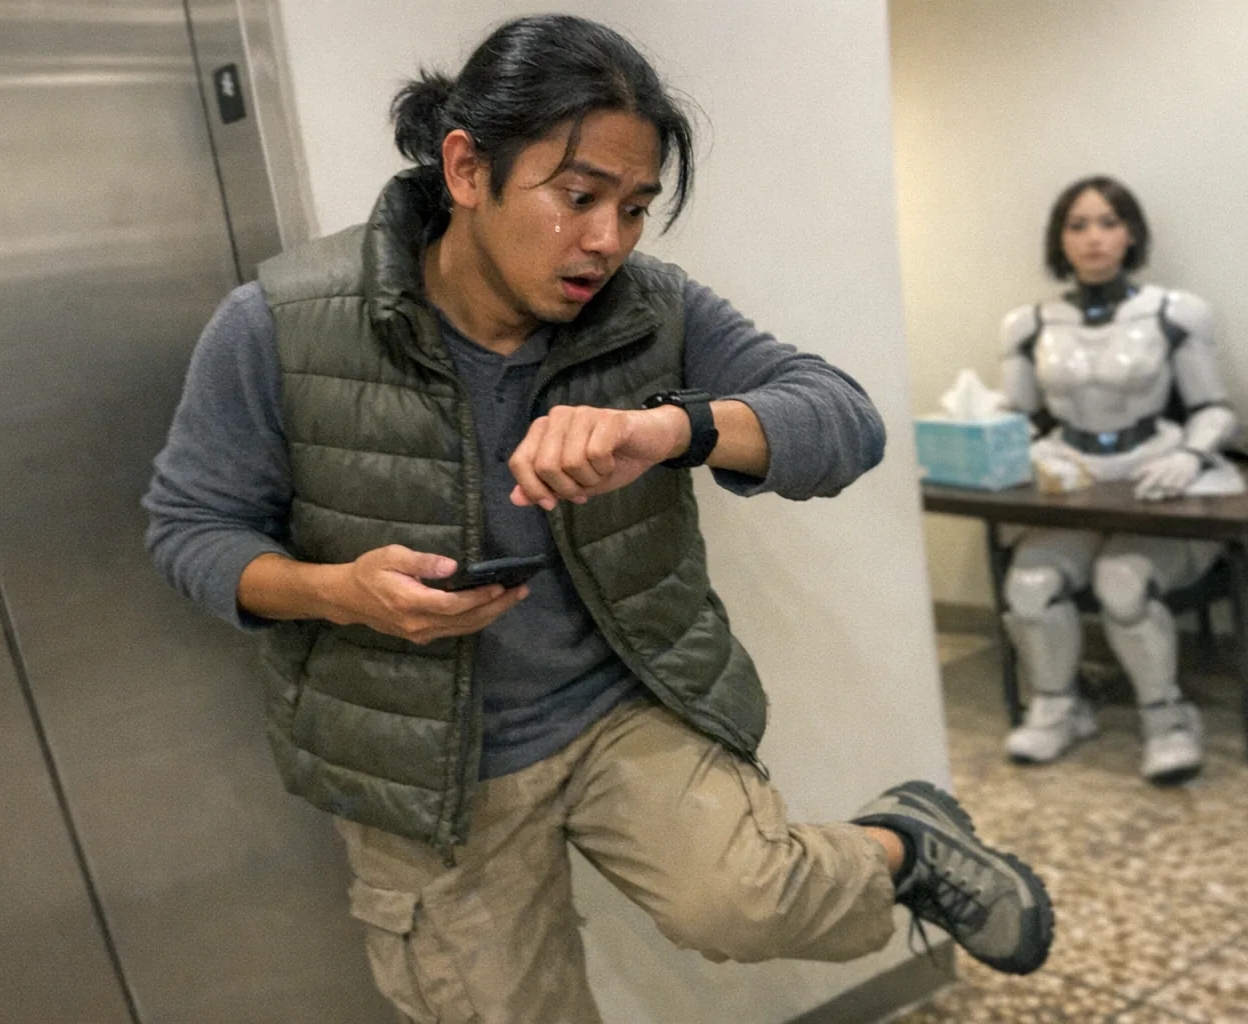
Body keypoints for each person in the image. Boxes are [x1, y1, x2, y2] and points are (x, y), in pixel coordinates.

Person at [144, 15, 1054, 1022]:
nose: (606, 241)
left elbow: (845, 422)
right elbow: (191, 527)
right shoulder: (279, 324)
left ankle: (904, 846)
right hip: (420, 761)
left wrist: (673, 429)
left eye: (634, 208)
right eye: (577, 198)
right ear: (467, 169)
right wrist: (339, 593)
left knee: (742, 901)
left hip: (623, 701)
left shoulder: (651, 309)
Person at [998, 175, 1238, 785]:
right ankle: (1057, 707)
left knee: (1122, 582)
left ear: (1131, 233)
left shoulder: (1174, 313)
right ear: (1060, 239)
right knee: (1029, 585)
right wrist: (1015, 450)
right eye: (1077, 225)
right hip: (1074, 476)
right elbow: (1014, 418)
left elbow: (1214, 408)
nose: (1094, 238)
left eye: (1108, 222)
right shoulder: (1027, 325)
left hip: (1153, 473)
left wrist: (1191, 454)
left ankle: (1168, 718)